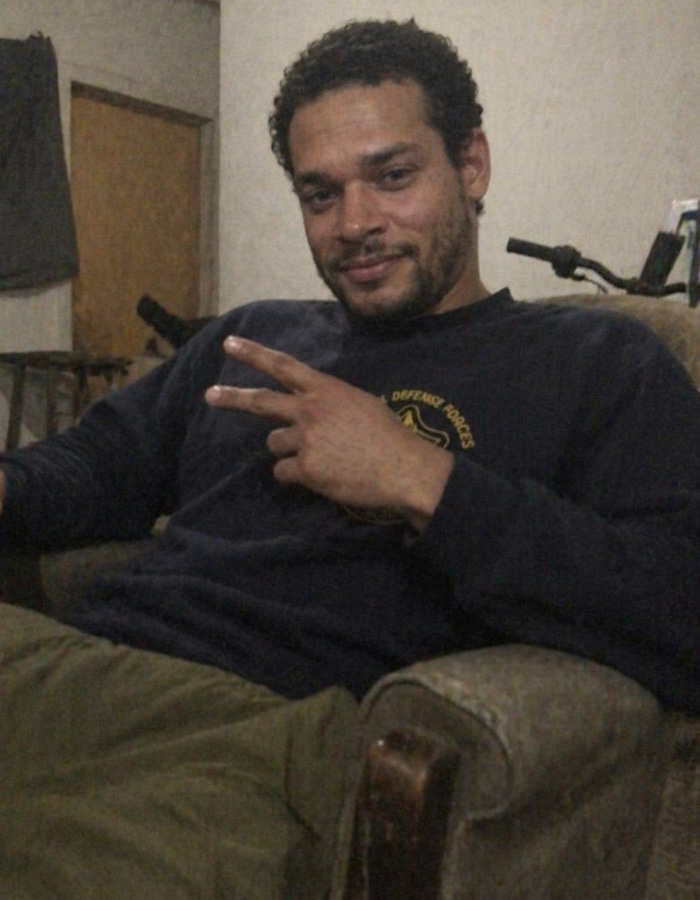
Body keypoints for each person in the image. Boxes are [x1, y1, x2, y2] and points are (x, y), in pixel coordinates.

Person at [1, 17, 699, 900]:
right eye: (319, 194)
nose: (355, 223)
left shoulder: (596, 364)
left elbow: (682, 604)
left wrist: (426, 482)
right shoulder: (257, 332)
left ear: (471, 165)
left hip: (255, 733)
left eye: (393, 176)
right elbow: (96, 468)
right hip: (66, 661)